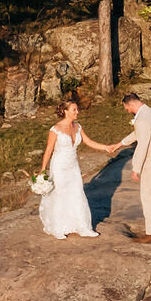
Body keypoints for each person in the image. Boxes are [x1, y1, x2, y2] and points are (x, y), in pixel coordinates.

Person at [35, 99, 115, 239]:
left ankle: (82, 227)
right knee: (59, 194)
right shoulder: (55, 129)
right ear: (65, 112)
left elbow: (89, 142)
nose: (77, 112)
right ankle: (57, 227)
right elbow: (48, 150)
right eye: (74, 110)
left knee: (77, 192)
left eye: (77, 109)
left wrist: (106, 147)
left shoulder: (78, 126)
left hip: (73, 166)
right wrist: (43, 169)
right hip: (59, 166)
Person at [117, 91, 151, 243]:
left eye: (126, 108)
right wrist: (120, 144)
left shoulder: (141, 119)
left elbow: (142, 145)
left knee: (147, 197)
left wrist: (136, 168)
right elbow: (138, 134)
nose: (127, 111)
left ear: (130, 104)